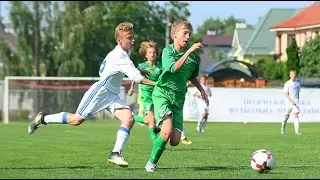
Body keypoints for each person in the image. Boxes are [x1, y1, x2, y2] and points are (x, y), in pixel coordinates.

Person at [27, 22, 156, 167]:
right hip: (100, 92)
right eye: (129, 37)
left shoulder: (125, 52)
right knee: (76, 120)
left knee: (129, 119)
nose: (133, 40)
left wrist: (139, 70)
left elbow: (128, 68)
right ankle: (43, 118)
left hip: (112, 94)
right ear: (120, 40)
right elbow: (137, 79)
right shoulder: (120, 56)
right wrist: (157, 84)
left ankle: (116, 153)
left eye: (133, 37)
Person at [144, 20, 209, 172]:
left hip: (178, 99)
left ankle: (158, 131)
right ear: (174, 34)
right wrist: (189, 51)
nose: (187, 36)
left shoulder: (193, 59)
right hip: (163, 94)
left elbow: (192, 76)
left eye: (189, 34)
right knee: (167, 131)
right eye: (184, 33)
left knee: (174, 141)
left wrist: (201, 89)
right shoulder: (168, 51)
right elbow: (173, 68)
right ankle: (151, 164)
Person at [128, 40, 162, 143]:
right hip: (147, 96)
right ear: (145, 55)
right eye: (150, 52)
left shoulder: (160, 67)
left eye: (154, 52)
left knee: (153, 119)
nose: (152, 54)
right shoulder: (142, 66)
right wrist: (131, 88)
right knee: (151, 119)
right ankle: (156, 141)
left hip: (159, 95)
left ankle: (132, 117)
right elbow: (135, 77)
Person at [281, 70, 302, 135]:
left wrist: (296, 101)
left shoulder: (298, 83)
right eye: (292, 74)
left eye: (294, 74)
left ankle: (297, 131)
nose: (293, 75)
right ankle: (282, 128)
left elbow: (298, 93)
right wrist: (291, 101)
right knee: (287, 116)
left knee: (296, 114)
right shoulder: (287, 83)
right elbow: (286, 94)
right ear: (290, 75)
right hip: (289, 102)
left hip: (295, 102)